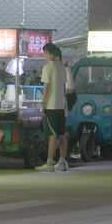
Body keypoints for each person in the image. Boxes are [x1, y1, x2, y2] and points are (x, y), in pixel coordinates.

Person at [36, 43, 68, 172]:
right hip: (61, 105)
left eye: (45, 53)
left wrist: (43, 104)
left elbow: (47, 87)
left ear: (50, 53)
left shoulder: (48, 67)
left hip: (52, 105)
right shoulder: (62, 67)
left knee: (52, 135)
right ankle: (62, 162)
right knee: (61, 134)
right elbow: (64, 88)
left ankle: (49, 162)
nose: (44, 56)